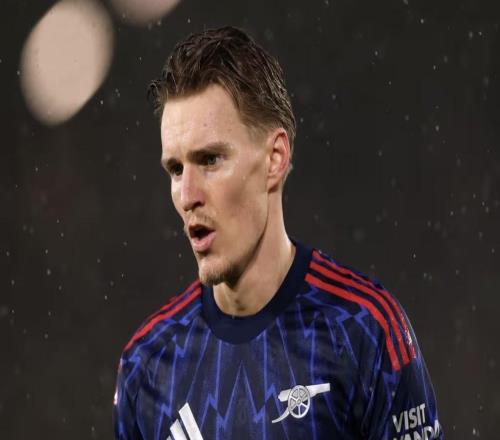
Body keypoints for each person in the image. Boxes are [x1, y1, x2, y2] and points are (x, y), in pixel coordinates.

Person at [113, 26, 442, 440]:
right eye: (176, 169)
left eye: (210, 160)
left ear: (275, 158)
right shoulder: (147, 364)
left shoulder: (364, 330)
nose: (187, 195)